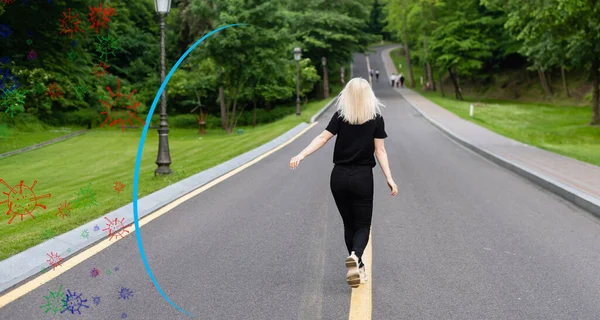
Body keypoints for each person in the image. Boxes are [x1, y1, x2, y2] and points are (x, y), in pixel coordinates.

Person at [289, 78, 398, 288]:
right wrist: (389, 178)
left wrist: (301, 154)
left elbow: (322, 138)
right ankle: (356, 257)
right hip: (362, 177)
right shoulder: (376, 119)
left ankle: (359, 267)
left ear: (346, 95)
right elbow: (380, 151)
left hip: (338, 177)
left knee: (349, 224)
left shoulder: (341, 116)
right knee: (363, 225)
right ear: (368, 95)